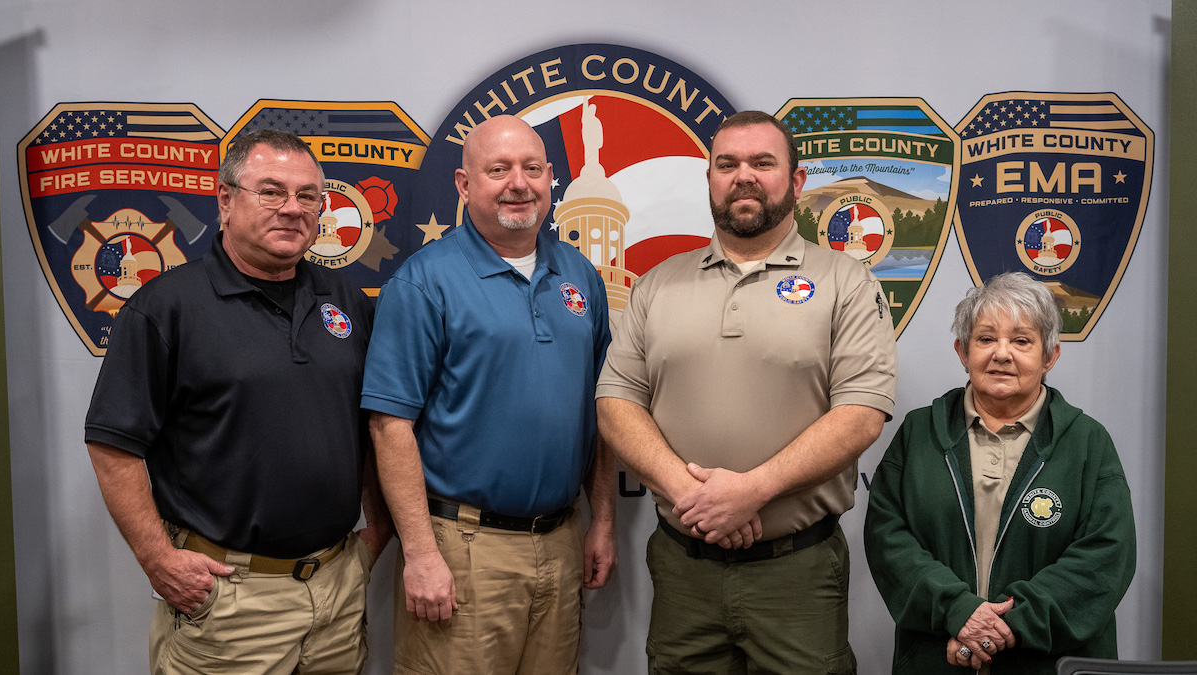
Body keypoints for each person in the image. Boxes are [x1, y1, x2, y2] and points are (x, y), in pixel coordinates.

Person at [597, 110, 898, 674]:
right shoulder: (659, 284)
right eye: (727, 164)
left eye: (764, 163)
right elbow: (616, 405)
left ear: (797, 180)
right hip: (685, 569)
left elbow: (861, 415)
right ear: (710, 178)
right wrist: (694, 495)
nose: (744, 176)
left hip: (795, 575)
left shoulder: (845, 281)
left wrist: (753, 490)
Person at [85, 128, 390, 674]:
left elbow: (372, 426)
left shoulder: (345, 300)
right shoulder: (167, 308)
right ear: (226, 200)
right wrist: (158, 560)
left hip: (338, 591)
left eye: (307, 196)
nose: (292, 209)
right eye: (271, 191)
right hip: (231, 603)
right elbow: (113, 446)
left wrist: (372, 540)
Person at [362, 114, 617, 674]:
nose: (517, 184)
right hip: (464, 547)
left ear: (552, 178)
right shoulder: (425, 281)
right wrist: (422, 554)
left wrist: (602, 520)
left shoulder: (580, 277)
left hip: (561, 540)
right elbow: (389, 426)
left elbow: (607, 411)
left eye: (531, 168)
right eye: (497, 170)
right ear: (464, 185)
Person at [863, 271, 1136, 674]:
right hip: (938, 658)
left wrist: (996, 629)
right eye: (986, 339)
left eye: (1022, 340)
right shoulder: (918, 433)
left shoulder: (1087, 442)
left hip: (1048, 664)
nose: (1002, 354)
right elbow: (888, 537)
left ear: (1050, 356)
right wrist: (957, 611)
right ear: (963, 351)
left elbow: (1105, 557)